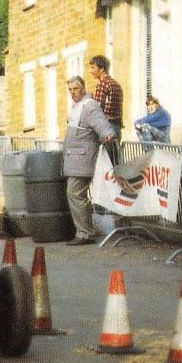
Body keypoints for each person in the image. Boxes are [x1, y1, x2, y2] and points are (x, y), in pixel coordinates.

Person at [63, 76, 116, 246]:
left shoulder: (89, 105)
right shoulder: (78, 106)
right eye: (70, 89)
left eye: (76, 89)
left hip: (83, 157)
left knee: (75, 193)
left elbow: (100, 121)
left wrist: (107, 133)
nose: (73, 92)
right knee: (77, 193)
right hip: (76, 157)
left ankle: (85, 233)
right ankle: (85, 231)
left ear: (83, 88)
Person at [89, 55, 123, 164]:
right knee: (115, 163)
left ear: (102, 68)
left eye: (93, 67)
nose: (91, 71)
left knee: (105, 164)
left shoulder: (102, 85)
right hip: (117, 127)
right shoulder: (116, 84)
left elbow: (97, 109)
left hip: (105, 129)